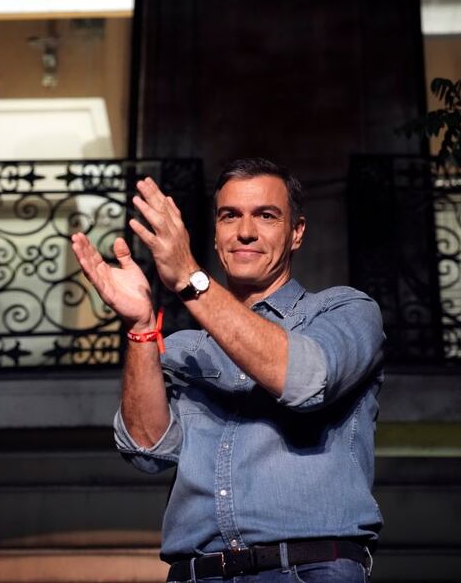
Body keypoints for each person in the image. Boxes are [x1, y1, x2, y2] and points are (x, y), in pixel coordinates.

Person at [71, 158, 385, 582]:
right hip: (197, 573)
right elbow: (147, 450)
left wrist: (190, 276)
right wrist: (142, 327)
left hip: (307, 570)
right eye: (229, 216)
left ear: (297, 232)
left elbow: (306, 381)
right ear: (217, 232)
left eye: (266, 216)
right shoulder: (184, 348)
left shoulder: (344, 310)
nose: (245, 231)